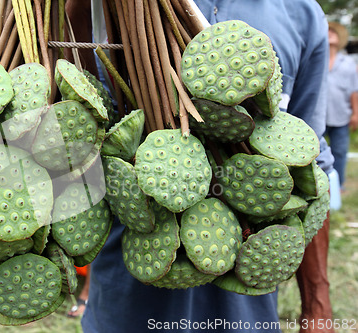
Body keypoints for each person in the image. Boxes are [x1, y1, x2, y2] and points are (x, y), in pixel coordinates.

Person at [66, 1, 335, 332]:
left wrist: (317, 303)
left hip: (245, 312)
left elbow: (311, 167)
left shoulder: (302, 13)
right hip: (129, 298)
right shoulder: (101, 6)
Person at [325, 22, 358, 192]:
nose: (329, 33)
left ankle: (339, 186)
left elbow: (354, 91)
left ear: (340, 38)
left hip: (341, 114)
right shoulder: (317, 59)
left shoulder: (348, 63)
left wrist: (355, 113)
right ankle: (318, 185)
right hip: (320, 114)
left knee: (339, 151)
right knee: (315, 150)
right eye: (327, 31)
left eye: (333, 32)